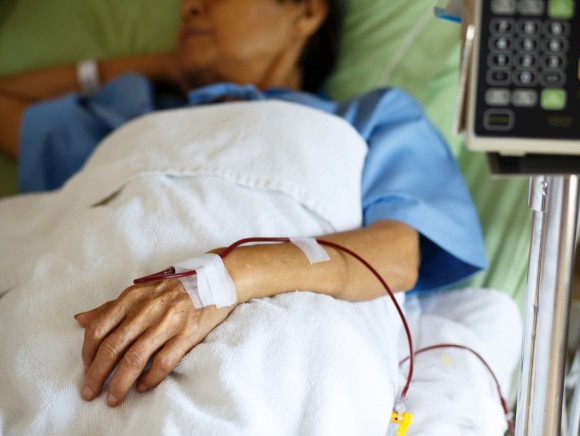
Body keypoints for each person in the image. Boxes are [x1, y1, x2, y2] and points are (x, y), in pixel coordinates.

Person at [0, 0, 486, 410]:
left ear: (305, 12)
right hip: (74, 323)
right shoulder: (133, 114)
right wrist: (166, 64)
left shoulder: (374, 117)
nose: (189, 6)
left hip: (261, 339)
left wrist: (218, 280)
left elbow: (396, 255)